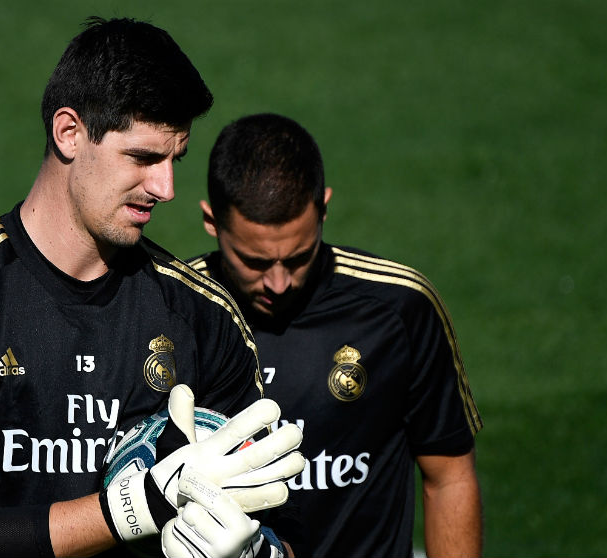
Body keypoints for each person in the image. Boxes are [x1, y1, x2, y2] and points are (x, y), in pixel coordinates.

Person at [0, 20, 301, 558]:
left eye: (175, 161)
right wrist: (137, 506)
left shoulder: (203, 314)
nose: (165, 188)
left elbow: (281, 534)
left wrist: (250, 553)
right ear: (69, 132)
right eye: (144, 158)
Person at [189, 113, 485, 557]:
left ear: (324, 208)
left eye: (297, 257)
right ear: (212, 222)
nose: (278, 283)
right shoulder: (174, 309)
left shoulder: (399, 309)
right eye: (254, 262)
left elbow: (448, 478)